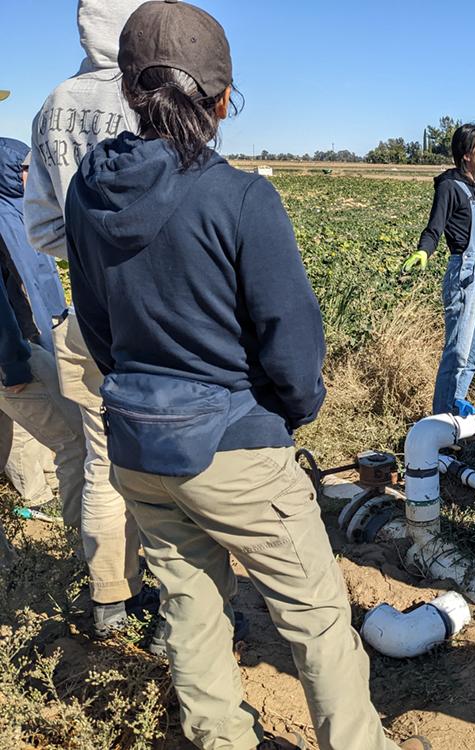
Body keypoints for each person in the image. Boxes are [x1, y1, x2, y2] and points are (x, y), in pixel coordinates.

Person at [64, 3, 429, 749]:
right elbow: (291, 339)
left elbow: (96, 328)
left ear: (132, 91)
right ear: (222, 98)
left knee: (190, 607)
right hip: (234, 445)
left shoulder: (88, 192)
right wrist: (289, 413)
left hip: (138, 446)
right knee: (318, 616)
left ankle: (218, 740)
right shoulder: (240, 197)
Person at [24, 0, 150, 637]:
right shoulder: (149, 94)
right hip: (152, 317)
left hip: (85, 316)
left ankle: (108, 601)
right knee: (164, 463)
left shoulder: (53, 103)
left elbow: (41, 225)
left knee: (102, 462)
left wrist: (86, 249)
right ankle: (184, 609)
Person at [0, 137, 85, 539]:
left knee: (32, 424)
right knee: (72, 440)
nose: (33, 176)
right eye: (25, 169)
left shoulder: (26, 208)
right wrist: (12, 361)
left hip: (32, 333)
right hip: (13, 347)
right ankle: (67, 526)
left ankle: (45, 487)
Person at [404, 124, 475, 416]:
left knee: (474, 355)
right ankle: (442, 420)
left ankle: (454, 406)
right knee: (457, 354)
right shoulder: (450, 186)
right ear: (466, 154)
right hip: (466, 276)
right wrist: (423, 251)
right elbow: (434, 228)